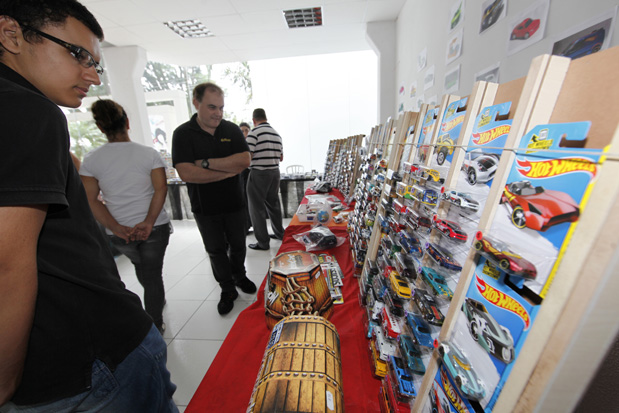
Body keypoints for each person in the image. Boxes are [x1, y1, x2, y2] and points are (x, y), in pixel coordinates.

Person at [0, 1, 177, 411]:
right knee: (151, 281)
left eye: (95, 63)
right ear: (11, 35)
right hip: (88, 359)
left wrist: (120, 227)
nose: (94, 76)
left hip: (91, 352)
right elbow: (9, 263)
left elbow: (91, 200)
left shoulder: (31, 113)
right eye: (78, 54)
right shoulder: (24, 108)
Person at [80, 99, 172, 334]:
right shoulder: (148, 154)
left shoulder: (91, 160)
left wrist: (116, 227)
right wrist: (149, 222)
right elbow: (161, 189)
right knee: (152, 275)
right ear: (127, 123)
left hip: (120, 233)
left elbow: (91, 199)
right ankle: (154, 324)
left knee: (142, 266)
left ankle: (155, 302)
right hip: (154, 228)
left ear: (101, 127)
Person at [172, 82, 256, 315]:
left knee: (238, 246)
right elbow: (187, 173)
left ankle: (239, 276)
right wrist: (227, 171)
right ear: (196, 103)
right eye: (212, 107)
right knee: (215, 250)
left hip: (235, 204)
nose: (218, 113)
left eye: (221, 107)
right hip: (205, 208)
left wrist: (206, 163)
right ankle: (227, 289)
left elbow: (244, 161)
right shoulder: (182, 134)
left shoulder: (231, 130)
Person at [246, 108, 285, 250]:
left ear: (254, 120)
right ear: (265, 117)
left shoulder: (254, 133)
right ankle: (280, 233)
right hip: (275, 173)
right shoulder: (276, 134)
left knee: (256, 208)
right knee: (274, 205)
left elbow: (247, 156)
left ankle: (263, 242)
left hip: (259, 173)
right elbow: (281, 157)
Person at [239, 121, 253, 234]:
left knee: (252, 200)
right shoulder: (238, 143)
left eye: (246, 130)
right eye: (242, 131)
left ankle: (253, 224)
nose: (244, 133)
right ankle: (246, 225)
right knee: (244, 199)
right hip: (242, 174)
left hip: (252, 173)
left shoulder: (253, 141)